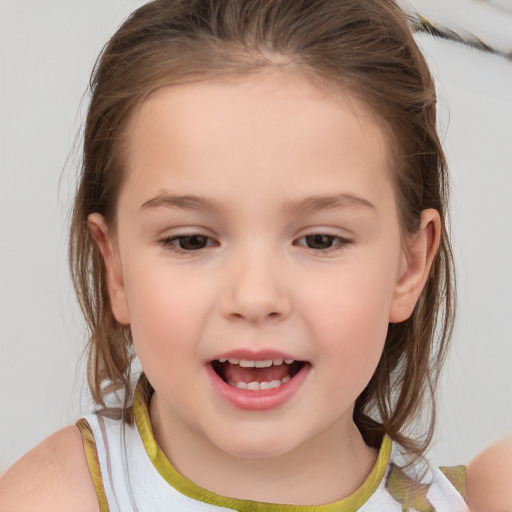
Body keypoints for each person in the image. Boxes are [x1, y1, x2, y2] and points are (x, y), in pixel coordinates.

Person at [0, 1, 509, 510]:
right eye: (191, 240)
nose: (255, 297)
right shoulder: (54, 497)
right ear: (116, 268)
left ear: (410, 265)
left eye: (320, 240)